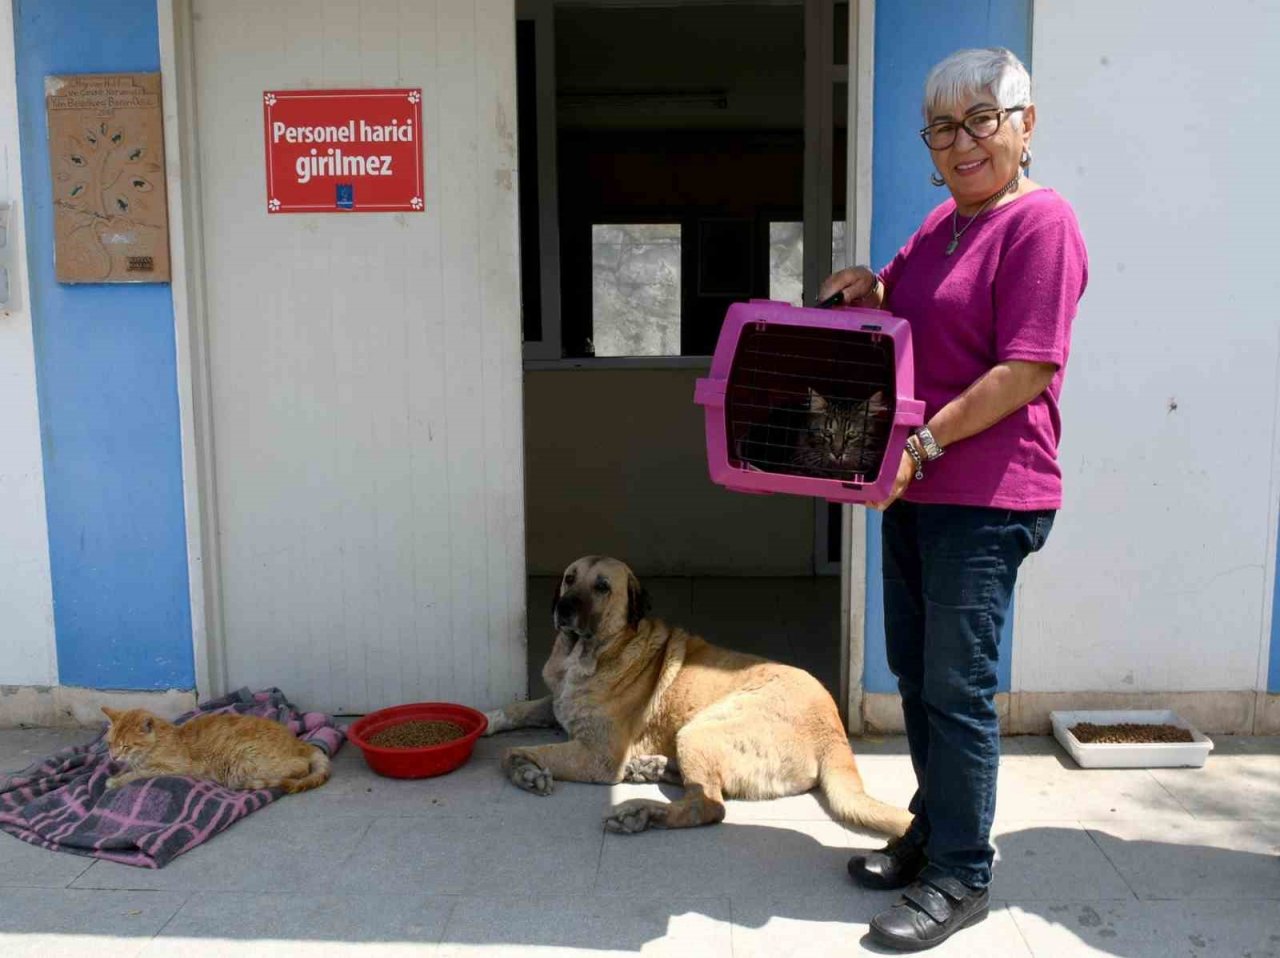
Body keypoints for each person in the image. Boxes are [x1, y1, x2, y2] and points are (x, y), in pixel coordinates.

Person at [818, 47, 1087, 951]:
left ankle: (964, 872)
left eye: (982, 119)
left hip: (986, 494)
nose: (962, 141)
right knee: (917, 677)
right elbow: (906, 298)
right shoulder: (943, 226)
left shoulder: (1040, 225)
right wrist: (870, 284)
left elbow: (1026, 367)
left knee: (958, 688)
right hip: (918, 487)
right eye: (943, 126)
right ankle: (931, 833)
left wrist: (925, 440)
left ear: (1025, 124)